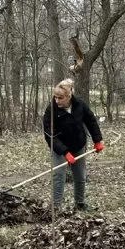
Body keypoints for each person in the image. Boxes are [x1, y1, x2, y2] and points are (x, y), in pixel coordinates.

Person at [41, 78, 104, 212]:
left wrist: (97, 140)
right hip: (59, 148)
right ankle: (56, 207)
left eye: (60, 98)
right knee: (58, 175)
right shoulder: (51, 110)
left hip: (78, 145)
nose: (57, 100)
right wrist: (64, 152)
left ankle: (79, 204)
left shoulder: (79, 104)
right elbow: (49, 135)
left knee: (80, 176)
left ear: (69, 96)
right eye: (55, 97)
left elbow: (91, 121)